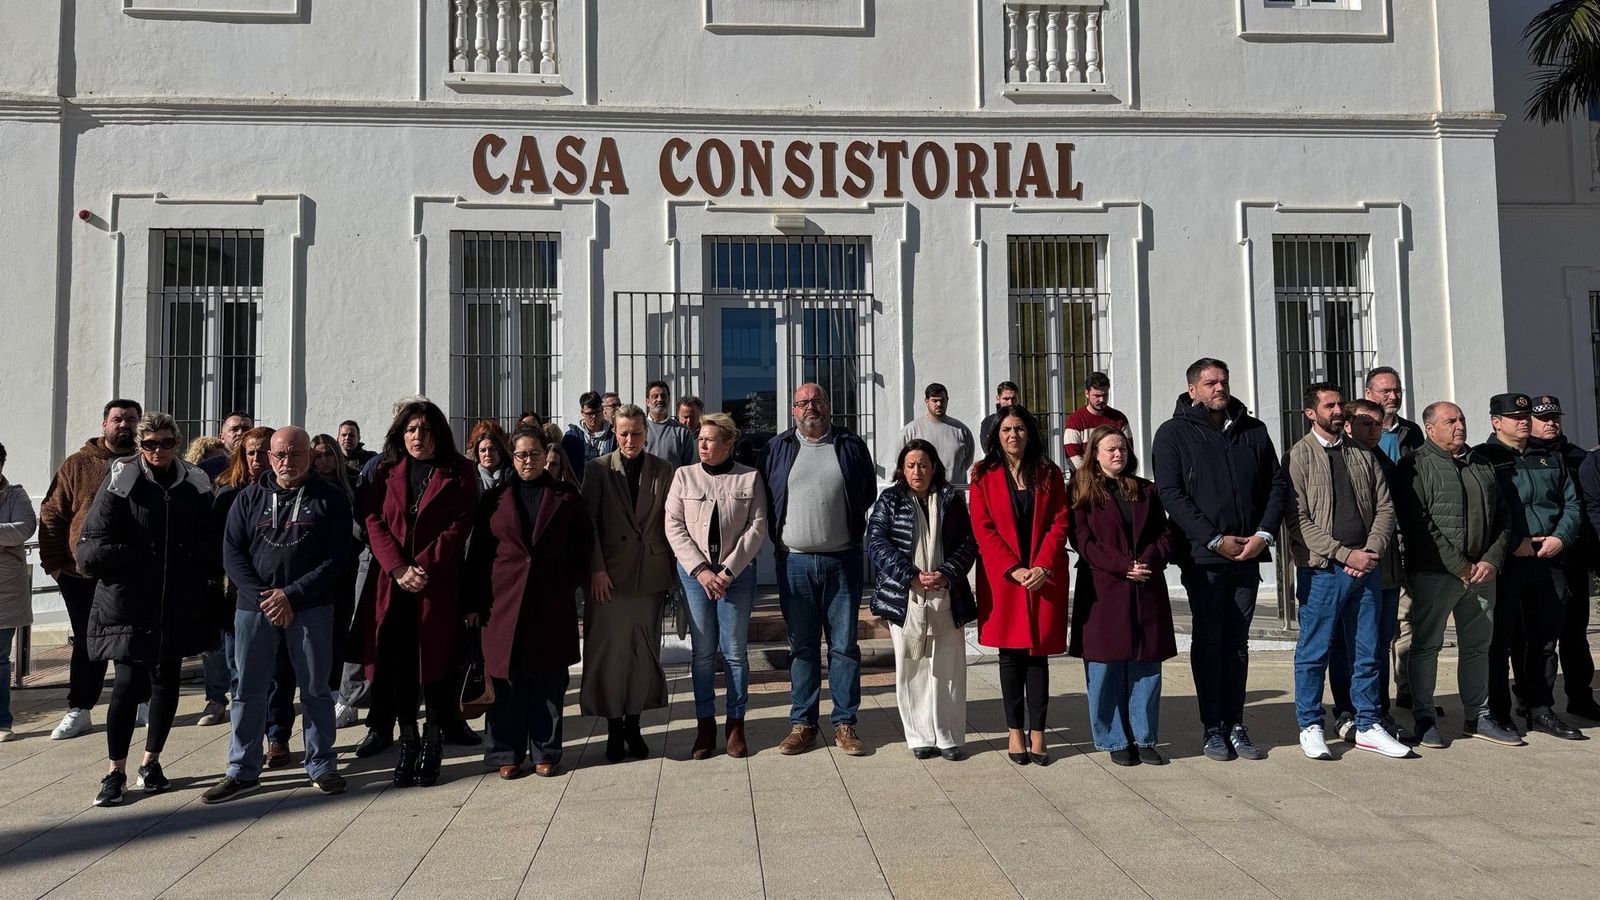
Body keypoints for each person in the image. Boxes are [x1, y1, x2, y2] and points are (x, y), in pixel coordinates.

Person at [1151, 358, 1290, 762]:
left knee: (1238, 644)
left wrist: (1263, 535)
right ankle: (1212, 728)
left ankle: (1236, 723)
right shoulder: (1173, 434)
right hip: (1204, 558)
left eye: (1223, 382)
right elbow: (1171, 494)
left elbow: (1276, 485)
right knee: (1210, 641)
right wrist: (1213, 539)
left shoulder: (1252, 429)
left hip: (1248, 554)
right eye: (1210, 382)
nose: (1219, 388)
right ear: (1192, 388)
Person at [204, 428, 353, 803]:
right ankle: (242, 770)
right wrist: (265, 597)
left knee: (316, 689)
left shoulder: (330, 499)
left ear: (309, 455)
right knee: (248, 691)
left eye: (296, 454)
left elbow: (337, 557)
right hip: (253, 610)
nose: (288, 462)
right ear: (269, 457)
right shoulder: (248, 498)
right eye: (280, 455)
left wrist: (291, 594)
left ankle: (321, 764)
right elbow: (232, 553)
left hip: (311, 608)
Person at [76, 412, 218, 806]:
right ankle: (114, 771)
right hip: (128, 603)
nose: (158, 450)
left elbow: (210, 541)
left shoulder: (194, 482)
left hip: (176, 602)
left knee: (165, 684)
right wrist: (141, 555)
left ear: (177, 442)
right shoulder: (122, 480)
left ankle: (151, 762)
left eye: (166, 443)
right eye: (150, 444)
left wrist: (191, 562)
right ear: (140, 446)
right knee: (125, 686)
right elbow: (90, 549)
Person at [355, 399, 480, 787]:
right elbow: (373, 520)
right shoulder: (384, 470)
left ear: (438, 433)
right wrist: (398, 567)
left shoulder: (461, 472)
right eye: (410, 429)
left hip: (436, 583)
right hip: (393, 585)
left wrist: (421, 567)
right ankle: (408, 739)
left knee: (439, 665)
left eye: (424, 429)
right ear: (400, 433)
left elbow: (460, 525)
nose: (417, 437)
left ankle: (434, 739)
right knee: (398, 665)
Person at [1284, 385, 1408, 760]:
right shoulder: (1298, 457)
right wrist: (1343, 555)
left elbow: (1385, 507)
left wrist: (1369, 552)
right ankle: (1310, 724)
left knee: (1367, 651)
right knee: (1314, 651)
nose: (1339, 411)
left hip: (1366, 569)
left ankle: (1368, 722)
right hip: (1322, 571)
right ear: (1311, 413)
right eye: (1330, 405)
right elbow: (1297, 520)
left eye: (1340, 404)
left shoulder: (1361, 454)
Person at [466, 426, 592, 778]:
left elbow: (584, 545)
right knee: (507, 681)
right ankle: (505, 752)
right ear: (512, 457)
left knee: (549, 681)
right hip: (503, 605)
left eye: (535, 454)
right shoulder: (495, 499)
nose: (528, 461)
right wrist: (473, 602)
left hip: (550, 603)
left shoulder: (565, 495)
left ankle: (546, 751)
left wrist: (568, 583)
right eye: (521, 455)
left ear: (545, 456)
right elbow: (478, 554)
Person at [759, 383, 877, 756]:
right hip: (794, 562)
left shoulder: (850, 444)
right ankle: (803, 724)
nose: (811, 407)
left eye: (817, 400)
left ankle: (845, 724)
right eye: (803, 402)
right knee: (802, 647)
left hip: (842, 560)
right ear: (793, 410)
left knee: (843, 646)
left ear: (829, 405)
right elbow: (766, 495)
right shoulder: (777, 448)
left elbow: (867, 492)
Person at [1395, 402, 1520, 747]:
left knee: (1478, 647)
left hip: (1482, 574)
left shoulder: (1482, 464)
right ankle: (1424, 717)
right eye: (1450, 421)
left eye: (1462, 419)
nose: (1459, 426)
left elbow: (1503, 518)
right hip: (1436, 574)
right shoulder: (1414, 466)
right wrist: (1460, 565)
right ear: (1431, 429)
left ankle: (1477, 716)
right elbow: (1419, 526)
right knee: (1426, 646)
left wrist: (1491, 561)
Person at [1474, 393, 1583, 740]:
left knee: (1544, 639)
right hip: (1509, 560)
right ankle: (1500, 712)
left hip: (1549, 556)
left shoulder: (1549, 457)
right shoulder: (1484, 458)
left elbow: (1572, 502)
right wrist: (1513, 541)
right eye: (1514, 416)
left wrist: (1560, 537)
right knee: (1500, 640)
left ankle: (1540, 709)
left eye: (1525, 416)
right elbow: (1484, 510)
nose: (1523, 421)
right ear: (1496, 421)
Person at [1066, 426, 1178, 766]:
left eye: (1123, 448)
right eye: (1111, 449)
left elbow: (1165, 532)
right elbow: (1082, 540)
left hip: (1145, 587)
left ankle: (1143, 737)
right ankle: (1113, 738)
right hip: (1104, 589)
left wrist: (1148, 562)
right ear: (1095, 454)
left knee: (1145, 665)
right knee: (1104, 667)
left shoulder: (1145, 490)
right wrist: (1121, 565)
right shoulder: (1080, 491)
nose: (1119, 454)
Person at [970, 405, 1070, 765]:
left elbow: (1060, 521)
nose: (1014, 435)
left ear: (1030, 433)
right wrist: (1012, 569)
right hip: (1006, 579)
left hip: (1043, 576)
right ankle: (1014, 732)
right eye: (1007, 429)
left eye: (1020, 428)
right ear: (997, 436)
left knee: (1038, 657)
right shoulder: (983, 475)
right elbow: (983, 528)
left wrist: (1042, 565)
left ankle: (1039, 732)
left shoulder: (1049, 472)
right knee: (1010, 658)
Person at [665, 413, 768, 759]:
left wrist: (727, 571)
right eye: (700, 439)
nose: (703, 445)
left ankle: (735, 724)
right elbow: (674, 526)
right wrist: (701, 571)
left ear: (728, 444)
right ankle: (705, 724)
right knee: (703, 654)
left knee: (736, 652)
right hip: (695, 579)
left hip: (735, 578)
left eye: (710, 440)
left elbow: (756, 529)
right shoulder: (684, 476)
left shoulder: (749, 478)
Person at [866, 439, 977, 761]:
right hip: (906, 598)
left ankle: (949, 736)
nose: (918, 471)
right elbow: (876, 542)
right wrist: (910, 575)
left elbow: (968, 544)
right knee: (912, 668)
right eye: (911, 465)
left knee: (949, 668)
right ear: (902, 468)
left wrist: (946, 573)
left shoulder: (951, 499)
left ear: (934, 468)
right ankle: (919, 737)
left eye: (924, 464)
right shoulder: (890, 500)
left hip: (946, 593)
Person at [38, 398, 141, 741]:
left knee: (134, 638)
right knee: (87, 641)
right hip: (80, 574)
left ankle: (141, 701)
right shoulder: (78, 464)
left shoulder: (146, 463)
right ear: (104, 425)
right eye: (117, 419)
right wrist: (55, 565)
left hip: (130, 572)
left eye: (130, 419)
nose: (123, 425)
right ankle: (80, 709)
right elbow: (52, 513)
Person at [581, 404, 675, 762]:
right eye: (623, 433)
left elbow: (672, 520)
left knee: (641, 654)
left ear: (646, 433)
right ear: (614, 433)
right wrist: (596, 569)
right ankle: (613, 727)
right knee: (609, 656)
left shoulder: (664, 469)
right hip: (609, 578)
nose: (630, 439)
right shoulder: (598, 470)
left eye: (636, 432)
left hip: (648, 576)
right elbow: (587, 524)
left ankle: (634, 725)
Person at [211, 427, 294, 753]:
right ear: (241, 457)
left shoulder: (289, 494)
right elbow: (224, 551)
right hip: (240, 598)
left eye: (263, 452)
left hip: (282, 597)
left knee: (280, 673)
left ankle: (277, 736)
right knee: (240, 675)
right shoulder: (228, 495)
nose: (258, 459)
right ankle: (246, 743)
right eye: (251, 453)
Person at [1327, 398, 1405, 741]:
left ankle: (1377, 710)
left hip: (1384, 570)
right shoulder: (1337, 459)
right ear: (1348, 426)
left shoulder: (1387, 463)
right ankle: (1346, 709)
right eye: (1365, 424)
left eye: (1378, 425)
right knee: (1344, 644)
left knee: (1377, 645)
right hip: (1346, 567)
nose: (1373, 430)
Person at [1533, 396, 1600, 722]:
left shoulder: (1579, 457)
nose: (1551, 423)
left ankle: (1580, 696)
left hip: (1575, 558)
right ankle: (1535, 701)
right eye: (1543, 418)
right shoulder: (1527, 456)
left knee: (1575, 634)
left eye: (1555, 417)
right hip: (1540, 561)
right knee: (1540, 636)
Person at [1364, 366, 1423, 712]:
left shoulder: (1412, 433)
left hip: (1406, 537)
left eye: (1396, 390)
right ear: (1369, 393)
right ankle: (1374, 700)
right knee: (1379, 621)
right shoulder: (1358, 435)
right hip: (1374, 542)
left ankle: (1406, 687)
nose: (1393, 396)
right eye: (1385, 391)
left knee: (1407, 616)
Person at [310, 433, 363, 724]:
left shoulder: (353, 484)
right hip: (318, 571)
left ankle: (344, 695)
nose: (324, 461)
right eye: (318, 456)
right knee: (322, 636)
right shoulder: (307, 487)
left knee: (344, 631)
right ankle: (328, 691)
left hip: (349, 569)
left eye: (329, 455)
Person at [0, 442, 38, 743]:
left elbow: (24, 527)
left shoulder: (15, 495)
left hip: (5, 589)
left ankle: (2, 722)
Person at [898, 383, 975, 487]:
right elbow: (901, 463)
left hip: (955, 494)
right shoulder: (911, 431)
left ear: (947, 400)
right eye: (934, 400)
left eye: (942, 400)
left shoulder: (962, 430)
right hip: (922, 495)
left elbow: (967, 461)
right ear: (927, 401)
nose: (939, 404)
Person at [1064, 371, 1131, 471]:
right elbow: (1073, 457)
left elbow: (1128, 451)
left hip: (1115, 479)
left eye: (1105, 395)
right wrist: (1091, 477)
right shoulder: (1075, 420)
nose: (1102, 399)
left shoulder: (1119, 418)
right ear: (1087, 393)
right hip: (1084, 481)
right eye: (1097, 396)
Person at [561, 392, 616, 484]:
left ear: (602, 410)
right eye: (590, 413)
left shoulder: (613, 435)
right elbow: (563, 466)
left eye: (597, 412)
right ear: (582, 412)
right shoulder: (572, 437)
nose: (594, 416)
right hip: (579, 489)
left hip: (606, 489)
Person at [643, 380, 695, 466]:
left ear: (669, 400)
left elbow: (688, 468)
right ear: (647, 402)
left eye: (663, 396)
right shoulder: (638, 429)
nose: (659, 399)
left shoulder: (682, 432)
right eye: (655, 396)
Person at [199, 411, 256, 481]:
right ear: (222, 438)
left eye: (246, 429)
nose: (240, 433)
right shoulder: (207, 468)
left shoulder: (261, 464)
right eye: (234, 429)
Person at [468, 419, 513, 493]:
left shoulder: (513, 476)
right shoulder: (470, 476)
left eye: (492, 449)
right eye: (483, 450)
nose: (488, 454)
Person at [978, 381, 1021, 451]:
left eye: (1013, 399)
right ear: (998, 399)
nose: (1010, 403)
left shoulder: (1028, 420)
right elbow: (987, 448)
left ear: (1018, 398)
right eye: (1006, 399)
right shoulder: (989, 422)